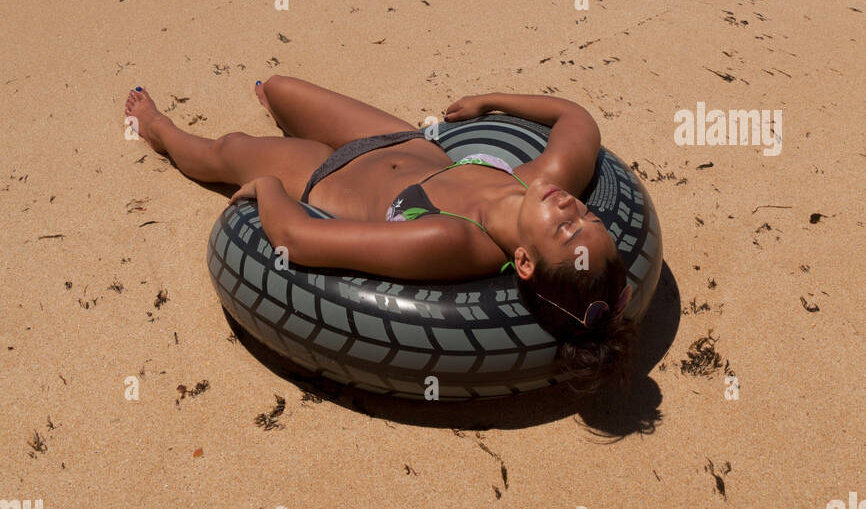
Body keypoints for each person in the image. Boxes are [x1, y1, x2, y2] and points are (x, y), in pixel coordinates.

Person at [124, 77, 636, 393]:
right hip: (400, 141)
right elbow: (577, 119)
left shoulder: (451, 240)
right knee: (279, 86)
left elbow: (299, 241)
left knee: (227, 149)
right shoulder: (542, 182)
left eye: (567, 229)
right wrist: (488, 102)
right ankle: (274, 103)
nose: (571, 207)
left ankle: (159, 130)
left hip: (322, 174)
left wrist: (267, 189)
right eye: (589, 215)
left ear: (524, 263)